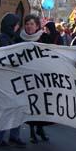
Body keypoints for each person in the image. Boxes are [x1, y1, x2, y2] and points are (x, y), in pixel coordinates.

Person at [0, 13, 27, 148]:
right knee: (6, 110)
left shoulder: (12, 38)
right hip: (5, 82)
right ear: (11, 25)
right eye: (16, 24)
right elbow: (4, 60)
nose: (18, 27)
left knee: (17, 109)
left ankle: (14, 136)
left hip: (14, 81)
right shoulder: (3, 39)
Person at [19, 14, 52, 143]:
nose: (29, 26)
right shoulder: (19, 39)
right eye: (27, 24)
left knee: (41, 104)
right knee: (30, 104)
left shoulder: (44, 38)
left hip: (42, 77)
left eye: (32, 24)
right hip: (26, 77)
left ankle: (40, 128)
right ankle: (32, 131)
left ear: (37, 25)